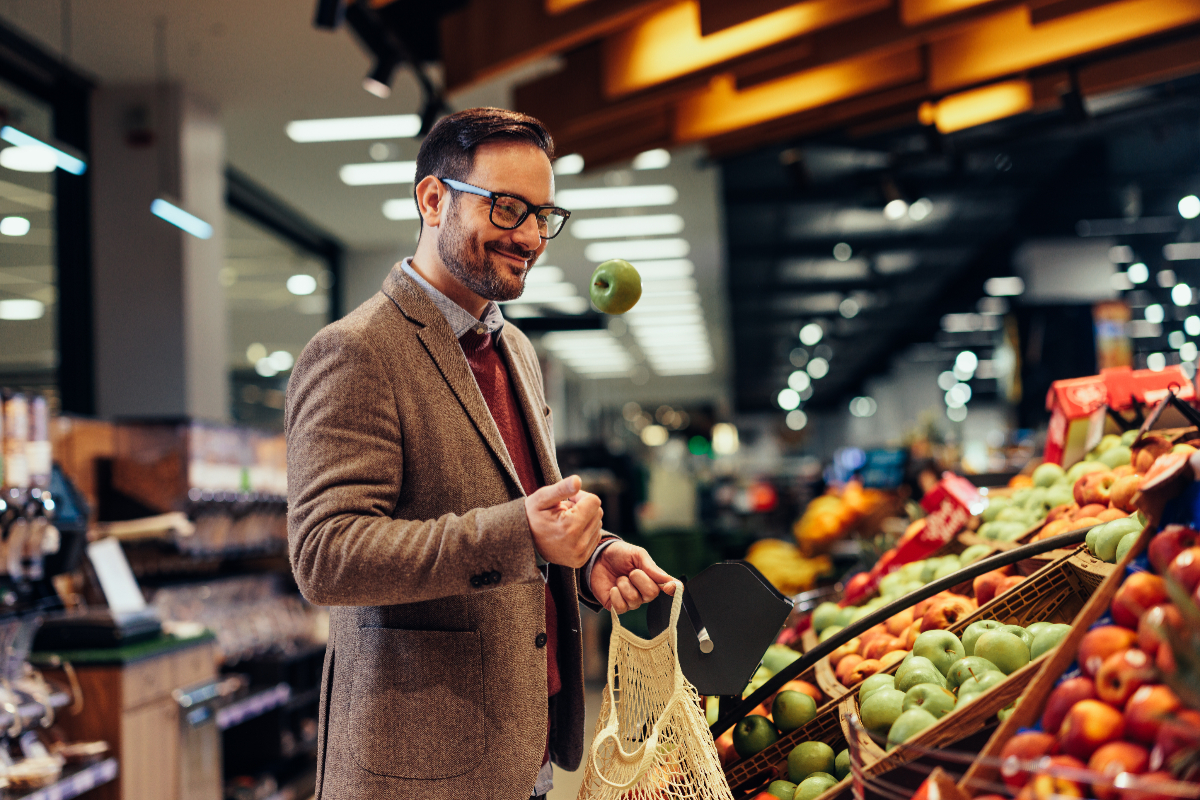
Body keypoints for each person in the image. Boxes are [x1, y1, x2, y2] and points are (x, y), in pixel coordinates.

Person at [285, 107, 676, 800]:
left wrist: (588, 555)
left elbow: (522, 505)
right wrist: (522, 531)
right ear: (433, 200)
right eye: (507, 208)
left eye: (542, 215)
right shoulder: (358, 351)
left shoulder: (515, 350)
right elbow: (326, 555)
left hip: (522, 749)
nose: (530, 236)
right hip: (417, 770)